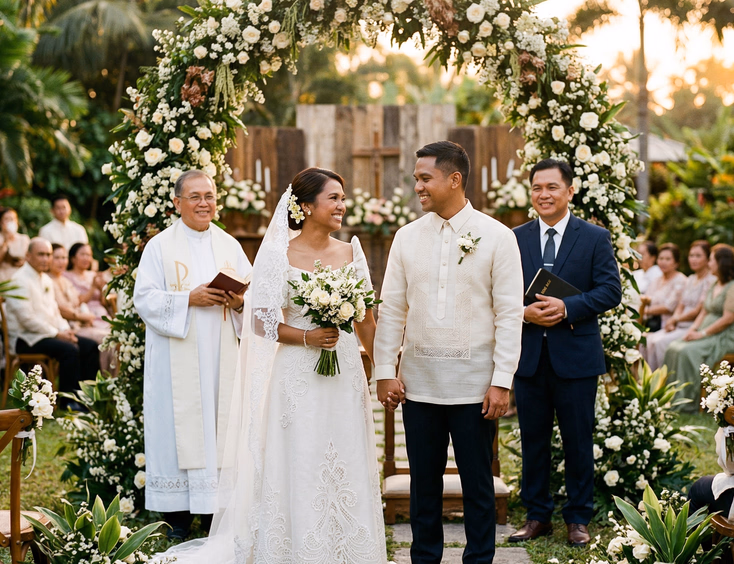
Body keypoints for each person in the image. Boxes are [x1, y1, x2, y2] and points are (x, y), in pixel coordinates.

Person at [152, 168, 387, 563]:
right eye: (334, 198)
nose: (342, 206)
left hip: (343, 372)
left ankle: (350, 548)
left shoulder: (352, 252)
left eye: (343, 198)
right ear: (307, 206)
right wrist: (306, 336)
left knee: (345, 454)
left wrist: (382, 371)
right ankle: (296, 547)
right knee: (301, 455)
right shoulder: (278, 255)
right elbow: (260, 320)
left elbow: (365, 320)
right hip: (297, 374)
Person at [374, 141, 524, 563]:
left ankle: (479, 559)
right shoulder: (406, 237)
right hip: (418, 385)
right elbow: (392, 309)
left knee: (478, 484)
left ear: (454, 179)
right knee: (424, 485)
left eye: (425, 178)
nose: (417, 186)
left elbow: (510, 315)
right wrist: (386, 369)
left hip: (476, 388)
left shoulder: (497, 236)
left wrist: (500, 381)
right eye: (417, 178)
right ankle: (424, 558)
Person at [133, 170, 251, 540]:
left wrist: (238, 303)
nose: (204, 203)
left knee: (220, 428)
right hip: (176, 362)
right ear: (176, 203)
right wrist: (189, 299)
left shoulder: (230, 245)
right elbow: (145, 300)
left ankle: (218, 519)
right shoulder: (160, 247)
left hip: (221, 361)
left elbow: (253, 299)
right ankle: (179, 521)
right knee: (177, 430)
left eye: (210, 196)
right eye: (195, 196)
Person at [509, 159, 622, 547]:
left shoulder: (593, 237)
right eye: (537, 187)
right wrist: (523, 312)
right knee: (533, 440)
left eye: (552, 187)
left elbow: (610, 290)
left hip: (576, 357)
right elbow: (499, 293)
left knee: (577, 440)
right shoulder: (515, 237)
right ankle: (537, 515)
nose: (544, 194)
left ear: (569, 191)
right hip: (528, 358)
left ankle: (578, 518)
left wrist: (567, 308)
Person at [5, 238, 100, 402]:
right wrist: (57, 334)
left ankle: (87, 399)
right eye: (41, 254)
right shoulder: (19, 280)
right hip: (26, 338)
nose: (45, 259)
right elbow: (27, 319)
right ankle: (68, 401)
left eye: (48, 255)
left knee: (90, 346)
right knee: (69, 350)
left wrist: (65, 331)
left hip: (49, 334)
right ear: (28, 256)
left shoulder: (46, 279)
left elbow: (55, 313)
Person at [664, 244, 734, 412]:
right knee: (673, 348)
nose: (709, 264)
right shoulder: (714, 284)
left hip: (722, 335)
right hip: (704, 331)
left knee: (686, 352)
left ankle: (688, 401)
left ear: (721, 263)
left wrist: (701, 334)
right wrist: (692, 330)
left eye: (711, 260)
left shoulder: (731, 287)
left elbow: (728, 318)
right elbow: (703, 311)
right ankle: (671, 397)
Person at [642, 241, 716, 371]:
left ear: (707, 259)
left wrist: (676, 319)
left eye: (698, 256)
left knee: (659, 343)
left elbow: (699, 310)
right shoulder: (691, 278)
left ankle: (663, 383)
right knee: (647, 341)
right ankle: (645, 382)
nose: (693, 259)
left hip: (693, 325)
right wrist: (674, 320)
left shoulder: (710, 280)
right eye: (691, 255)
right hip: (678, 324)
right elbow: (681, 305)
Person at [49, 244, 116, 374]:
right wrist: (82, 316)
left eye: (63, 258)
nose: (61, 262)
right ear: (73, 259)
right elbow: (62, 308)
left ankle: (113, 381)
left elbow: (76, 303)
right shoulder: (51, 280)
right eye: (57, 258)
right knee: (106, 339)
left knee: (115, 337)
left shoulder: (64, 281)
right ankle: (103, 380)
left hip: (84, 320)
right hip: (70, 326)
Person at [639, 243, 687, 332]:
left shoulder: (680, 280)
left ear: (676, 263)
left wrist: (643, 311)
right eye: (661, 258)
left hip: (667, 325)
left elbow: (669, 307)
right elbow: (646, 299)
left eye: (668, 259)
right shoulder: (657, 280)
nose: (663, 262)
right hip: (650, 322)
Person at [64, 243, 112, 320]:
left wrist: (102, 289)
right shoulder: (66, 276)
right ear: (73, 258)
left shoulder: (93, 275)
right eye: (83, 254)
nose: (86, 258)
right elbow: (77, 301)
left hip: (101, 313)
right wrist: (93, 287)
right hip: (83, 315)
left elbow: (104, 303)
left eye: (89, 255)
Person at [0, 208, 30, 282]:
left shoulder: (24, 239)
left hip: (23, 278)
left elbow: (31, 257)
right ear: (1, 222)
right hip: (4, 279)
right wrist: (6, 241)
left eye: (13, 219)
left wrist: (23, 262)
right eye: (7, 219)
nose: (10, 222)